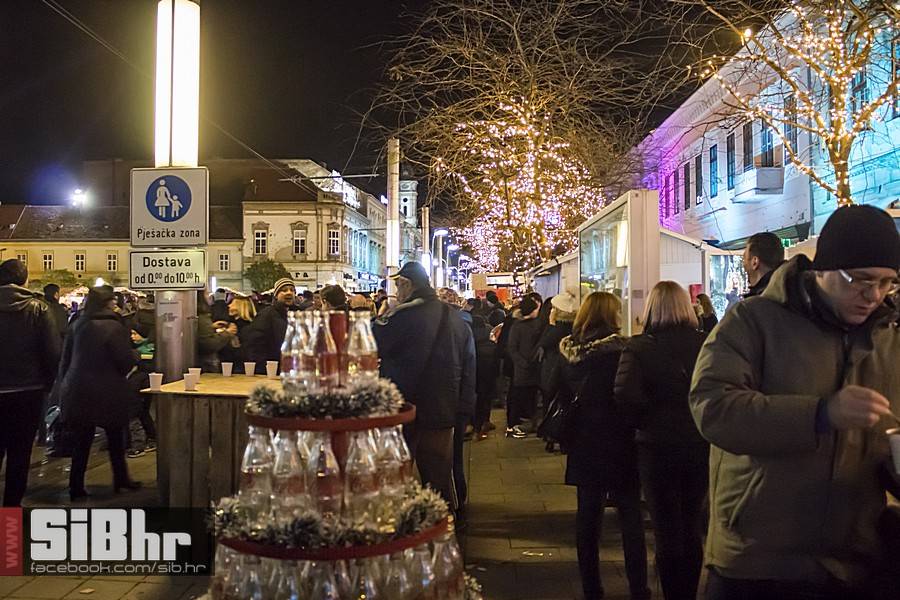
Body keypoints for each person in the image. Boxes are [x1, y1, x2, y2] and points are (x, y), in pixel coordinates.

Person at [690, 205, 900, 600]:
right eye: (861, 280)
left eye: (888, 282)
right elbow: (713, 407)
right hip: (757, 561)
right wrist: (820, 414)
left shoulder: (890, 339)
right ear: (824, 269)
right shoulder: (754, 321)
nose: (874, 295)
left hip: (852, 563)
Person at [615, 281, 708, 600]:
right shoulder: (705, 344)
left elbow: (625, 395)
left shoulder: (639, 347)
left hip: (656, 447)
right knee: (692, 521)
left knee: (666, 524)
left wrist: (647, 422)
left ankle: (673, 592)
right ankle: (691, 590)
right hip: (698, 442)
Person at [559, 292, 650, 600]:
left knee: (587, 517)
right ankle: (639, 587)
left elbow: (555, 391)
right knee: (630, 516)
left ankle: (591, 588)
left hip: (585, 440)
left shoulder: (571, 354)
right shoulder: (624, 351)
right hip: (621, 439)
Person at [373, 261, 476, 506]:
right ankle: (447, 520)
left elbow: (372, 343)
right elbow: (469, 363)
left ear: (408, 285)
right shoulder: (456, 318)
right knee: (440, 471)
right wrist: (465, 404)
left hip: (405, 403)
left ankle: (411, 521)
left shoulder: (402, 316)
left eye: (398, 285)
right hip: (443, 404)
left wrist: (382, 315)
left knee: (400, 470)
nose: (397, 292)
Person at [58, 286, 141, 500]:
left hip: (78, 389)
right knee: (115, 436)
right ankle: (121, 479)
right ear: (108, 303)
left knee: (82, 442)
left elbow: (65, 360)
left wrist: (62, 388)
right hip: (108, 390)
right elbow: (123, 362)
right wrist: (135, 356)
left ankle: (75, 487)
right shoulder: (114, 326)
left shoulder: (77, 324)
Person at [0, 259, 61, 506]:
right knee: (19, 454)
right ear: (24, 280)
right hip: (28, 392)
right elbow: (52, 353)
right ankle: (10, 516)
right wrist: (46, 384)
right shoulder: (39, 309)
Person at [505, 295, 543, 438]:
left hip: (531, 368)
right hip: (523, 370)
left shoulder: (535, 324)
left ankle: (529, 424)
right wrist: (523, 363)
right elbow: (512, 348)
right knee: (518, 397)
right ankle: (512, 426)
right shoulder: (518, 326)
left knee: (531, 397)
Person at [243, 278, 295, 374]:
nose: (289, 293)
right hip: (270, 371)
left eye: (292, 290)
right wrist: (264, 369)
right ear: (276, 295)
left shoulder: (293, 314)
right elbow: (255, 344)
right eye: (284, 290)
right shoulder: (266, 315)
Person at [197, 290, 236, 372]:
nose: (209, 296)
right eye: (207, 294)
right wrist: (228, 333)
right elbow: (208, 343)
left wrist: (212, 327)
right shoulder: (202, 317)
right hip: (206, 365)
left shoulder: (199, 315)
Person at [741, 231, 785, 298]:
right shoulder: (796, 293)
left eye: (744, 259)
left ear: (755, 262)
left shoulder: (749, 306)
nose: (743, 265)